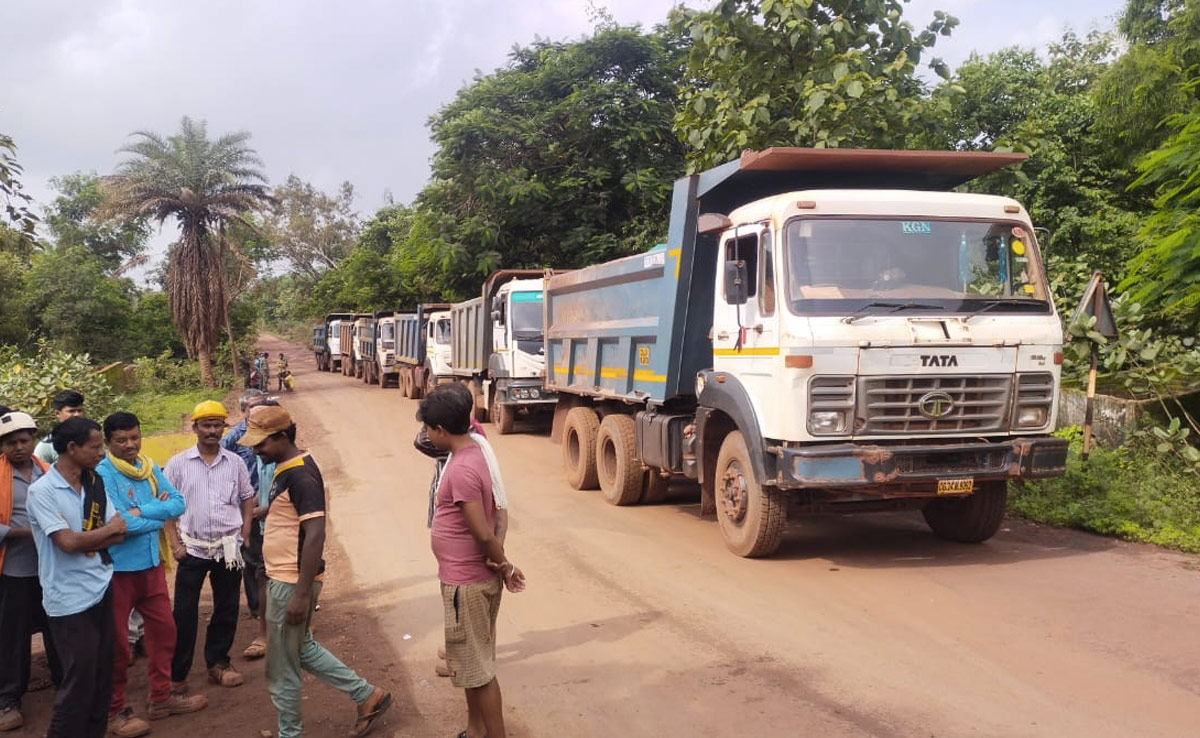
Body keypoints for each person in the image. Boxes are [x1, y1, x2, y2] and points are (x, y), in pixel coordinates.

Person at [239, 405, 392, 738]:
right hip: (285, 578)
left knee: (281, 667)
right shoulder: (289, 467)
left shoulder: (300, 475)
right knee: (301, 647)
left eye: (261, 443)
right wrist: (264, 513)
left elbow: (316, 533)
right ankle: (367, 695)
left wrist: (301, 593)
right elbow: (292, 513)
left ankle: (289, 733)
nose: (256, 450)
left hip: (290, 583)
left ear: (281, 437)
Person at [417, 385, 525, 738]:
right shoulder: (474, 450)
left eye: (429, 429)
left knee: (479, 672)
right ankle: (475, 729)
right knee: (468, 662)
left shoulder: (462, 468)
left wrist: (505, 566)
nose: (427, 435)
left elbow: (482, 532)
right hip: (465, 579)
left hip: (468, 584)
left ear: (441, 431)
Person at [97, 412, 208, 737]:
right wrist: (155, 516)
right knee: (118, 645)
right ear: (108, 442)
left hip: (151, 564)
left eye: (135, 437)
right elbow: (120, 523)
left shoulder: (150, 467)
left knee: (164, 631)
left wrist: (142, 512)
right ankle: (113, 709)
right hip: (117, 570)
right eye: (122, 440)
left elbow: (178, 503)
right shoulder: (102, 475)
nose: (130, 445)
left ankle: (162, 698)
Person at [27, 417, 127, 738]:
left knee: (102, 676)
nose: (102, 452)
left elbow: (119, 532)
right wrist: (105, 532)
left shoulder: (94, 483)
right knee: (79, 681)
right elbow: (66, 543)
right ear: (71, 448)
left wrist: (100, 534)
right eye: (96, 446)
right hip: (68, 599)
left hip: (101, 587)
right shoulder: (42, 491)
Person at [164, 401, 255, 692]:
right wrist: (175, 543)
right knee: (184, 613)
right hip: (192, 548)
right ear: (195, 428)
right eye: (206, 425)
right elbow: (167, 507)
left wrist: (246, 535)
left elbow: (247, 498)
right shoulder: (178, 463)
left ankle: (218, 663)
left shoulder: (235, 462)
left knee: (227, 607)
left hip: (229, 547)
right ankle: (178, 675)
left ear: (224, 428)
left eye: (217, 425)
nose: (212, 431)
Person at [0, 411, 61, 732]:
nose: (20, 447)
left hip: (52, 568)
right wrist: (30, 531)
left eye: (25, 440)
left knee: (57, 628)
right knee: (13, 636)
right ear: (2, 445)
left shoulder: (48, 472)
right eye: (12, 442)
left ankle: (65, 685)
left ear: (34, 440)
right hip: (15, 570)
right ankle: (9, 699)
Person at [221, 389, 267, 622]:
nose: (258, 410)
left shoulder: (270, 431)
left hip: (270, 505)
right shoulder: (233, 438)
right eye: (252, 407)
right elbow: (218, 467)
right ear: (243, 411)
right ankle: (258, 607)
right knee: (251, 559)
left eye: (262, 405)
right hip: (246, 508)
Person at [33, 389, 85, 464]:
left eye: (79, 411)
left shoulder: (89, 440)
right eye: (71, 411)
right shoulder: (46, 447)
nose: (77, 414)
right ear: (57, 413)